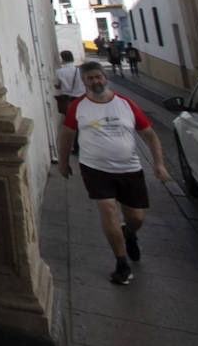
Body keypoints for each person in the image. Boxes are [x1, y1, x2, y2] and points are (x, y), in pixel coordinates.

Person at [58, 61, 170, 285]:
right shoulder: (78, 107)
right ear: (84, 81)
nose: (95, 81)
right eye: (90, 78)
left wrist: (159, 164)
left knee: (135, 217)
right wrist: (63, 161)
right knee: (108, 209)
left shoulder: (125, 104)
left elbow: (149, 134)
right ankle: (121, 262)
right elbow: (67, 135)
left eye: (98, 77)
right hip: (95, 168)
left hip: (129, 168)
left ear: (105, 77)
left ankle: (129, 233)